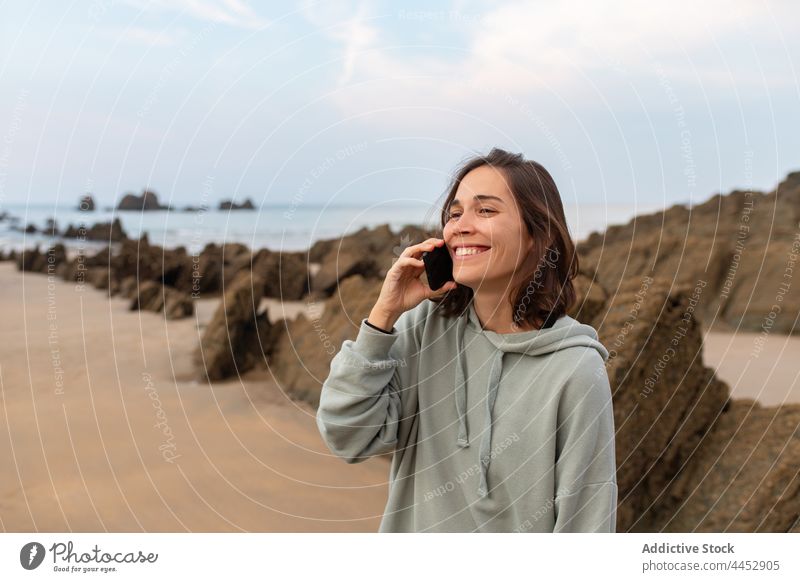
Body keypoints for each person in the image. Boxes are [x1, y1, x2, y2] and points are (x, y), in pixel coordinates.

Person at [316, 148, 617, 532]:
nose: (461, 225)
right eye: (455, 213)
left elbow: (586, 521)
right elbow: (347, 437)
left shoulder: (575, 368)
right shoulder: (424, 328)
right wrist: (383, 317)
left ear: (536, 236)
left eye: (486, 210)